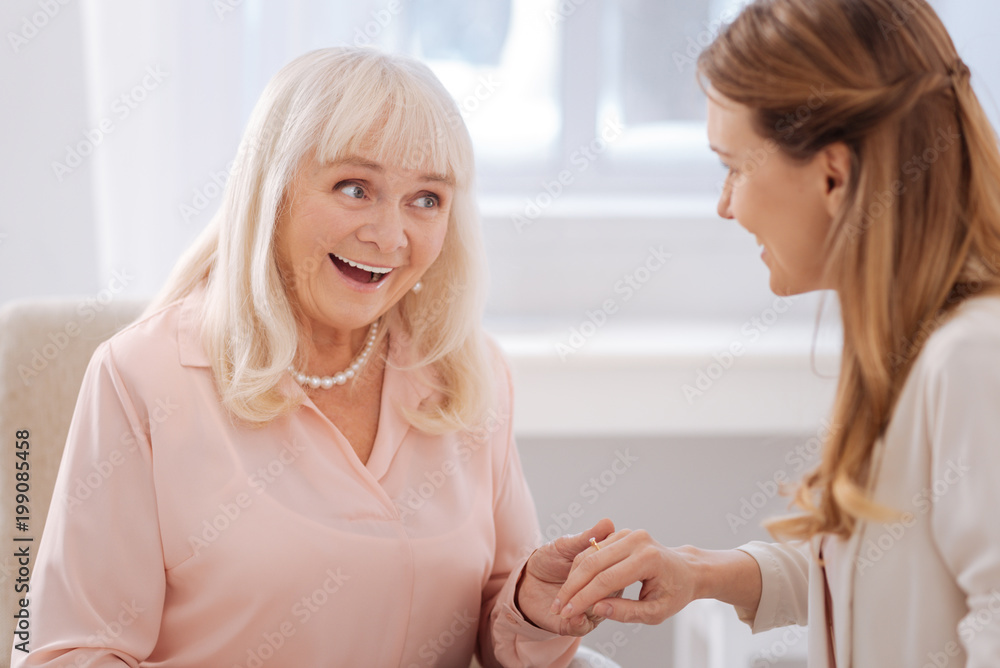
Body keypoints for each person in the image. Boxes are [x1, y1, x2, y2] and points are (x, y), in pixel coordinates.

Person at [13, 47, 614, 667]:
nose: (390, 235)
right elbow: (71, 651)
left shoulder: (467, 372)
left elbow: (496, 642)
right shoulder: (143, 376)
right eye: (355, 189)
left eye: (427, 199)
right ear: (272, 191)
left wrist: (532, 607)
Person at [549, 0, 1000, 666]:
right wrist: (700, 572)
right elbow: (871, 570)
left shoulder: (972, 356)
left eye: (733, 166)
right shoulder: (913, 341)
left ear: (833, 176)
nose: (725, 205)